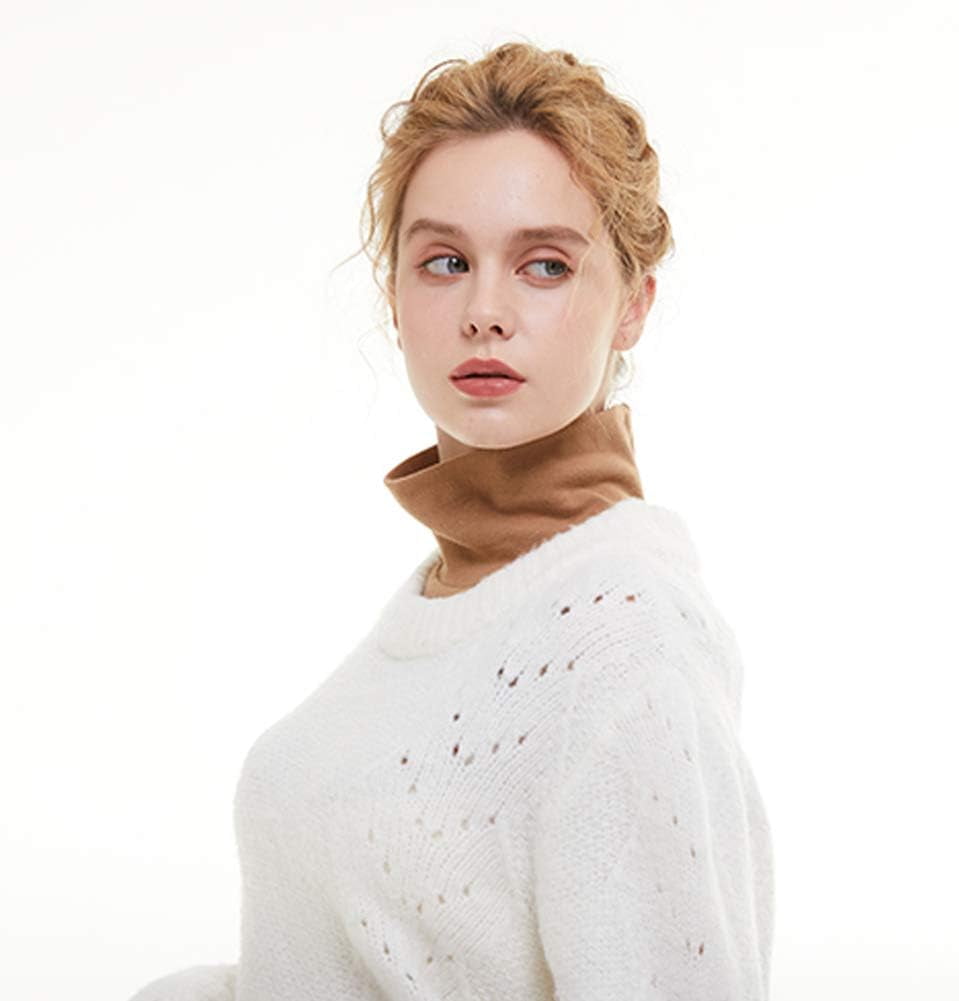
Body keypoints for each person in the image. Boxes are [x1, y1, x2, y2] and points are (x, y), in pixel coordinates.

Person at [128, 40, 776, 1001]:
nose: (484, 310)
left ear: (632, 305)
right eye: (444, 261)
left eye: (544, 265)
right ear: (394, 297)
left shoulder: (623, 636)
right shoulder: (453, 598)